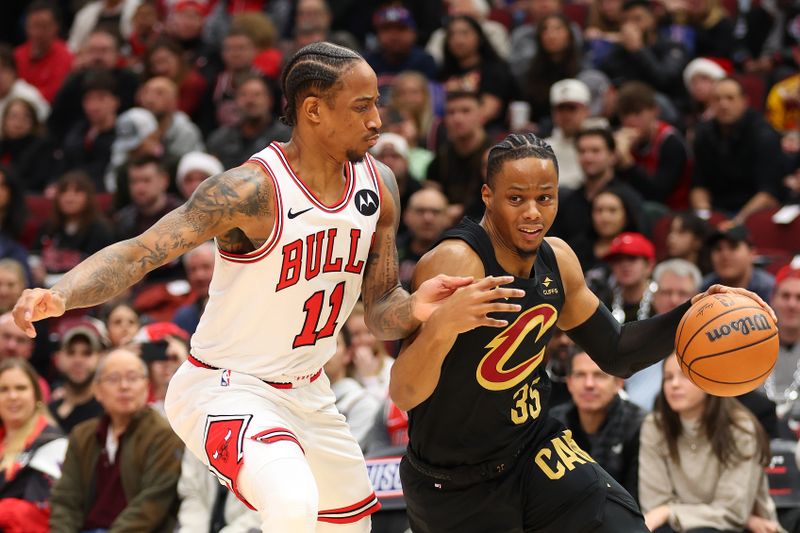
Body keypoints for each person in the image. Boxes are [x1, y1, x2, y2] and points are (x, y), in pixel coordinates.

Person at [13, 41, 506, 532]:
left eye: (377, 103)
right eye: (362, 106)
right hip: (226, 386)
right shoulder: (250, 190)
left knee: (349, 527)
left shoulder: (380, 186)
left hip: (310, 391)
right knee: (291, 505)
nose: (378, 119)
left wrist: (417, 306)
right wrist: (62, 293)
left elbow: (380, 311)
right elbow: (141, 251)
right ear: (313, 110)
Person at [390, 132, 775, 532]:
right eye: (516, 198)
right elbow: (403, 392)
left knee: (623, 525)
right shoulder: (457, 262)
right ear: (488, 195)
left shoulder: (558, 259)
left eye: (545, 197)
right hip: (453, 480)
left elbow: (617, 352)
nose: (533, 213)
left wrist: (693, 313)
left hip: (532, 448)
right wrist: (441, 327)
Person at [639, 354, 782, 533]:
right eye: (668, 377)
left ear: (709, 379)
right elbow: (654, 505)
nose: (674, 384)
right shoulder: (654, 426)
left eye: (684, 376)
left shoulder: (740, 428)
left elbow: (731, 512)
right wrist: (666, 513)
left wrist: (669, 511)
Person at [49, 347, 184, 532]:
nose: (124, 386)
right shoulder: (82, 435)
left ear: (146, 386)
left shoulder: (164, 435)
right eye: (113, 379)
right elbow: (66, 499)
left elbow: (151, 505)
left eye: (133, 378)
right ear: (97, 390)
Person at [551, 347, 645, 500]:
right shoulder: (554, 424)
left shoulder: (639, 425)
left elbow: (636, 498)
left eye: (599, 375)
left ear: (619, 383)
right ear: (569, 382)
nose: (589, 384)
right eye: (580, 375)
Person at [0, 358, 68, 533]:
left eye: (21, 388)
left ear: (37, 395)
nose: (12, 396)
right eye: (4, 389)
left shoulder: (54, 443)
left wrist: (5, 512)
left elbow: (47, 512)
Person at [48, 320, 105, 434]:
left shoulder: (108, 412)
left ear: (100, 358)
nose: (78, 360)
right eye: (70, 352)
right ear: (58, 358)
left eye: (87, 353)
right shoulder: (47, 413)